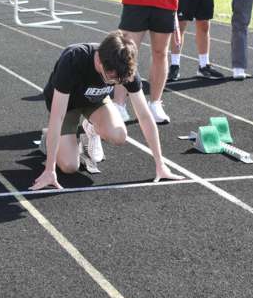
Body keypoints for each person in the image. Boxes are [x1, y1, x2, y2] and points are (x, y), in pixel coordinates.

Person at [30, 31, 184, 190]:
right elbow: (57, 117)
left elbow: (144, 116)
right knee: (70, 166)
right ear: (99, 62)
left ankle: (89, 128)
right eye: (111, 79)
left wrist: (160, 164)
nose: (116, 83)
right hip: (67, 105)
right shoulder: (73, 59)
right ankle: (48, 138)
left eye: (120, 81)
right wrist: (49, 170)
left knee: (119, 135)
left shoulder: (124, 65)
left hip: (95, 100)